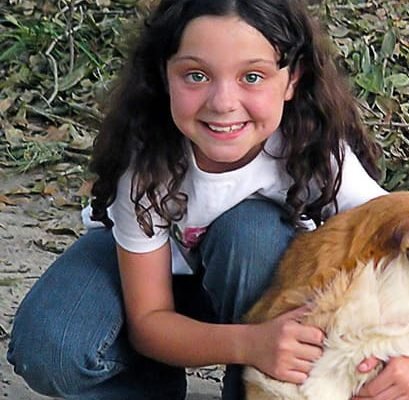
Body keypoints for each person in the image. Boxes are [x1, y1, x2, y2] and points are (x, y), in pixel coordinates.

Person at [6, 0, 388, 399]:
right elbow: (150, 318)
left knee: (251, 230)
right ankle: (150, 384)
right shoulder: (144, 162)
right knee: (50, 347)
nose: (222, 102)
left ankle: (251, 390)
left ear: (293, 79)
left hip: (251, 287)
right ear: (163, 75)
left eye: (252, 76)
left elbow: (405, 231)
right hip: (146, 284)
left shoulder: (312, 149)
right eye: (196, 75)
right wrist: (248, 342)